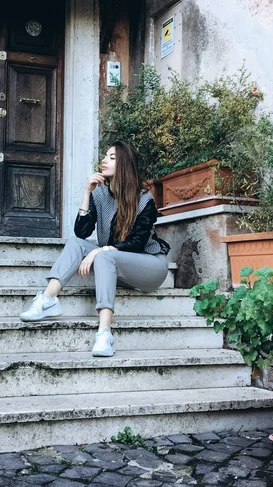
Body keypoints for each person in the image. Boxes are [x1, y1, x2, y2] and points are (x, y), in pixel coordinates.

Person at [20, 141, 170, 357]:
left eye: (111, 157)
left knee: (104, 256)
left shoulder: (144, 199)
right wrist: (87, 193)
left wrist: (99, 251)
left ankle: (104, 333)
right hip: (119, 268)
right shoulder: (99, 195)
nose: (103, 160)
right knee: (76, 243)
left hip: (150, 267)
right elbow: (82, 233)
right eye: (104, 156)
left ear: (125, 164)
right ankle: (48, 299)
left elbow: (137, 243)